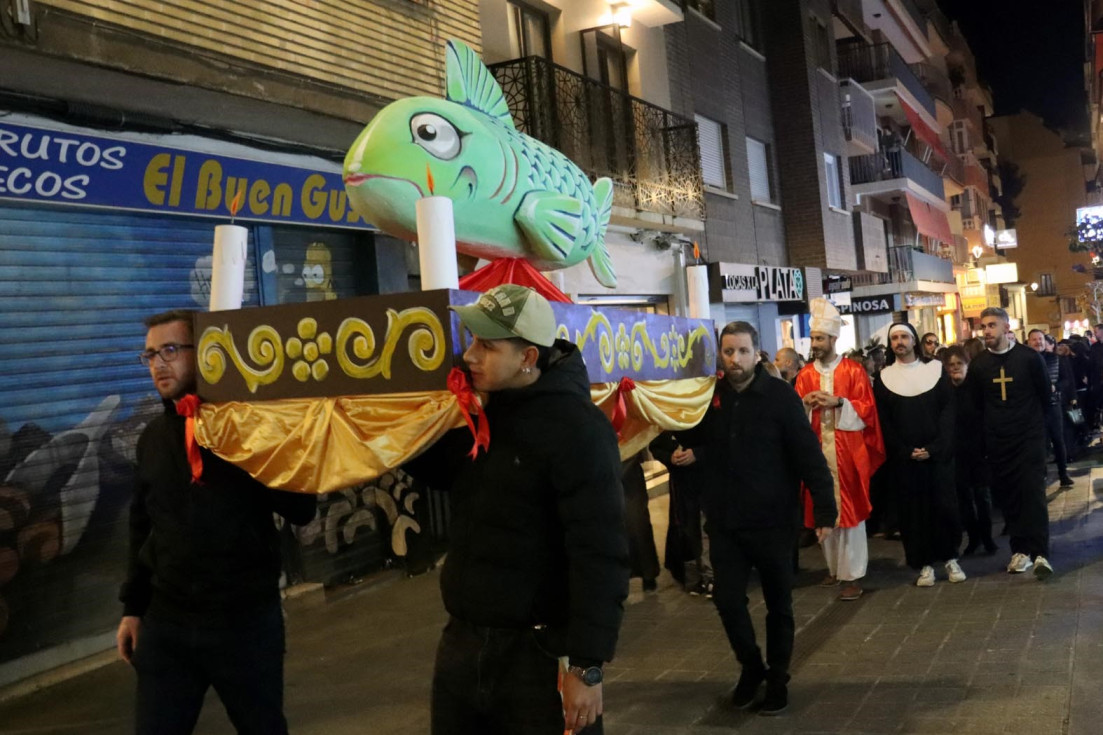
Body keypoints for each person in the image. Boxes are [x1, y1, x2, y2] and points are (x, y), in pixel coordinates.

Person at [408, 284, 628, 735]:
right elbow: (438, 471)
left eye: (486, 346)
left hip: (540, 651)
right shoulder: (480, 409)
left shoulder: (578, 429)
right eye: (471, 341)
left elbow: (599, 551)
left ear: (528, 358)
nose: (470, 356)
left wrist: (587, 667)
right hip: (463, 641)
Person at [118, 310, 318, 735]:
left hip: (243, 624)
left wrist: (256, 446)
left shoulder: (246, 429)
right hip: (168, 625)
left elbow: (302, 508)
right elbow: (142, 526)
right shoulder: (152, 438)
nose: (158, 363)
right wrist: (133, 609)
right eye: (150, 354)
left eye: (170, 350)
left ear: (206, 353)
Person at [694, 322, 837, 715]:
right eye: (728, 351)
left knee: (779, 605)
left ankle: (777, 678)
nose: (735, 359)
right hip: (725, 522)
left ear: (757, 353)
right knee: (727, 601)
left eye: (742, 351)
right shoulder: (707, 396)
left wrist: (824, 510)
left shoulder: (779, 397)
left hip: (773, 521)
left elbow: (808, 454)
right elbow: (680, 431)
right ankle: (751, 668)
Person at [794, 298, 885, 601]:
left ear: (833, 339)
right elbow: (793, 417)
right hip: (818, 454)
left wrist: (839, 402)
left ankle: (853, 575)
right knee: (824, 510)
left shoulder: (854, 371)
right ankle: (834, 569)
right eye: (813, 338)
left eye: (820, 338)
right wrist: (805, 405)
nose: (815, 344)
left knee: (851, 515)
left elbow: (868, 409)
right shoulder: (805, 375)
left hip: (848, 453)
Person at [874, 323, 963, 587]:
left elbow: (948, 412)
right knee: (913, 513)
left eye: (904, 336)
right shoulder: (884, 378)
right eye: (894, 338)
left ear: (914, 340)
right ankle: (923, 565)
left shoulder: (935, 370)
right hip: (905, 460)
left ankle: (950, 558)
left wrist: (935, 448)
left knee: (944, 507)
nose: (899, 342)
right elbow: (884, 422)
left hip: (937, 456)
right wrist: (904, 451)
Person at [968, 307, 1053, 580]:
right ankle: (1020, 551)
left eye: (992, 325)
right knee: (1010, 499)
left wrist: (1043, 438)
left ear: (1006, 327)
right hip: (998, 443)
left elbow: (1045, 399)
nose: (987, 331)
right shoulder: (979, 364)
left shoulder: (1029, 358)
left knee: (1032, 495)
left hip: (1028, 439)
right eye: (984, 326)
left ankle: (1040, 552)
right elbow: (976, 407)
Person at [941, 345, 996, 555]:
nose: (955, 368)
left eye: (959, 364)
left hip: (978, 450)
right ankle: (973, 538)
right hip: (956, 452)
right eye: (951, 365)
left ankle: (987, 537)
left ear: (967, 364)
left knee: (982, 496)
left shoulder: (976, 388)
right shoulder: (945, 391)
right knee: (963, 499)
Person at [650, 430, 713, 596]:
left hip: (709, 479)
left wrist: (697, 453)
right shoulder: (667, 418)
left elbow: (721, 441)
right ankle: (695, 578)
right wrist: (670, 456)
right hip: (682, 484)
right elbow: (656, 445)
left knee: (707, 527)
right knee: (686, 529)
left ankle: (711, 577)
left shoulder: (708, 412)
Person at [1027, 330, 1074, 487]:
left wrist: (1056, 387)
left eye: (1040, 339)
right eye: (1034, 339)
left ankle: (1063, 473)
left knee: (1058, 441)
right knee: (1041, 443)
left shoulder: (1056, 359)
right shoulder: (1026, 361)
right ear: (1029, 342)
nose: (1037, 342)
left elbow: (1066, 380)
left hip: (1054, 406)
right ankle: (1042, 474)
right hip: (1035, 409)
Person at [622, 451, 660, 592]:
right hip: (601, 471)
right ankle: (618, 575)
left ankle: (647, 573)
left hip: (627, 469)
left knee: (637, 525)